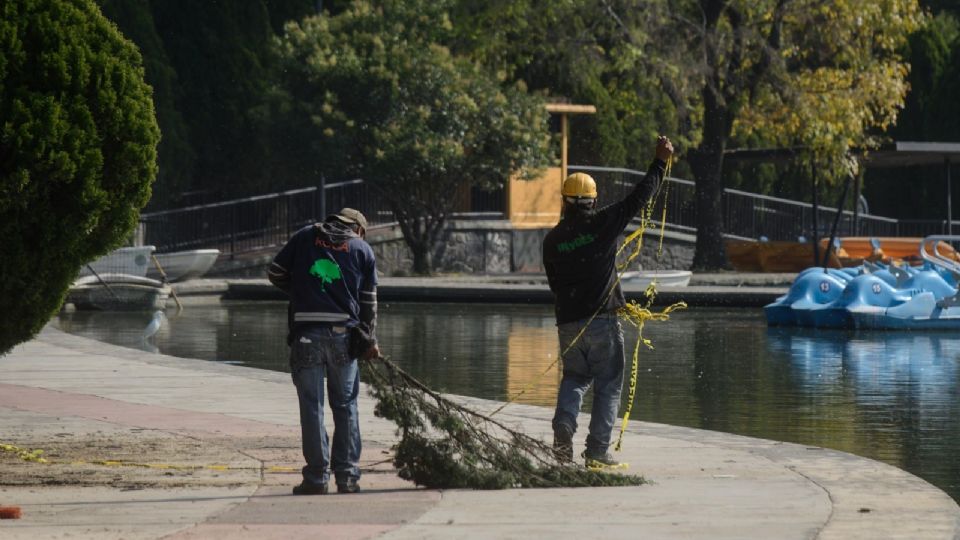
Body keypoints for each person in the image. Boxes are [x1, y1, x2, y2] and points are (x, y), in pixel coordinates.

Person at [542, 136, 674, 467]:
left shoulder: (553, 239)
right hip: (601, 320)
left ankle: (564, 425)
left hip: (568, 323)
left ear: (565, 201)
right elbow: (639, 198)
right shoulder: (602, 223)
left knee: (574, 378)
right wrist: (660, 162)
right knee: (609, 383)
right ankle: (597, 451)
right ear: (592, 200)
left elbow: (555, 284)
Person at [268, 207, 380, 495]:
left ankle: (317, 479)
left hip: (306, 335)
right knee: (346, 406)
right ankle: (348, 477)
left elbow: (275, 272)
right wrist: (369, 340)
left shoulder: (305, 236)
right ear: (358, 229)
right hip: (344, 336)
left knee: (312, 407)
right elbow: (369, 303)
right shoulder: (361, 248)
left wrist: (302, 291)